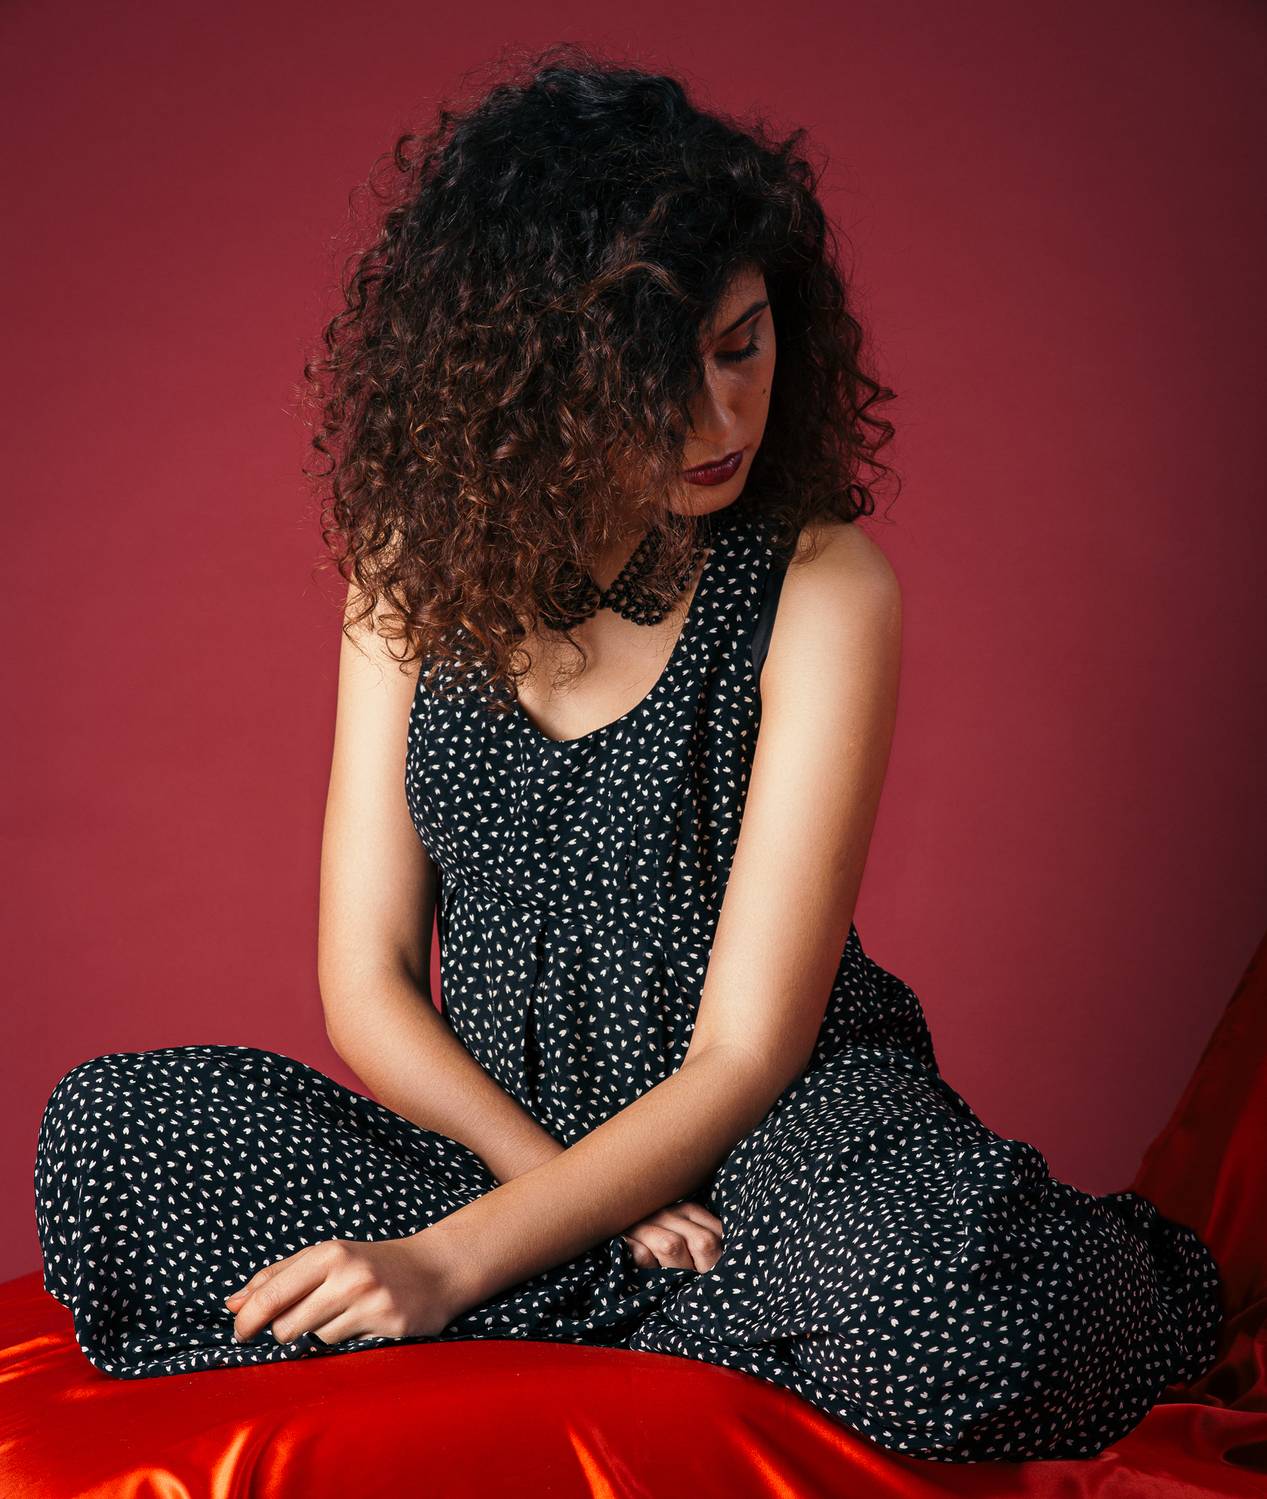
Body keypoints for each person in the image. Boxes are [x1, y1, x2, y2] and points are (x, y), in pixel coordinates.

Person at [33, 44, 1223, 1462]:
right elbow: (363, 981)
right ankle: (644, 1288)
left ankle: (578, 1294)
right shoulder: (405, 573)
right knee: (111, 1135)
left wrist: (454, 1267)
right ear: (533, 379)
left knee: (960, 1304)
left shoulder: (825, 587)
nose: (722, 418)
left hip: (776, 1137)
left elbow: (746, 1048)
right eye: (660, 374)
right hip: (497, 1134)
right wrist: (535, 1194)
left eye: (744, 344)